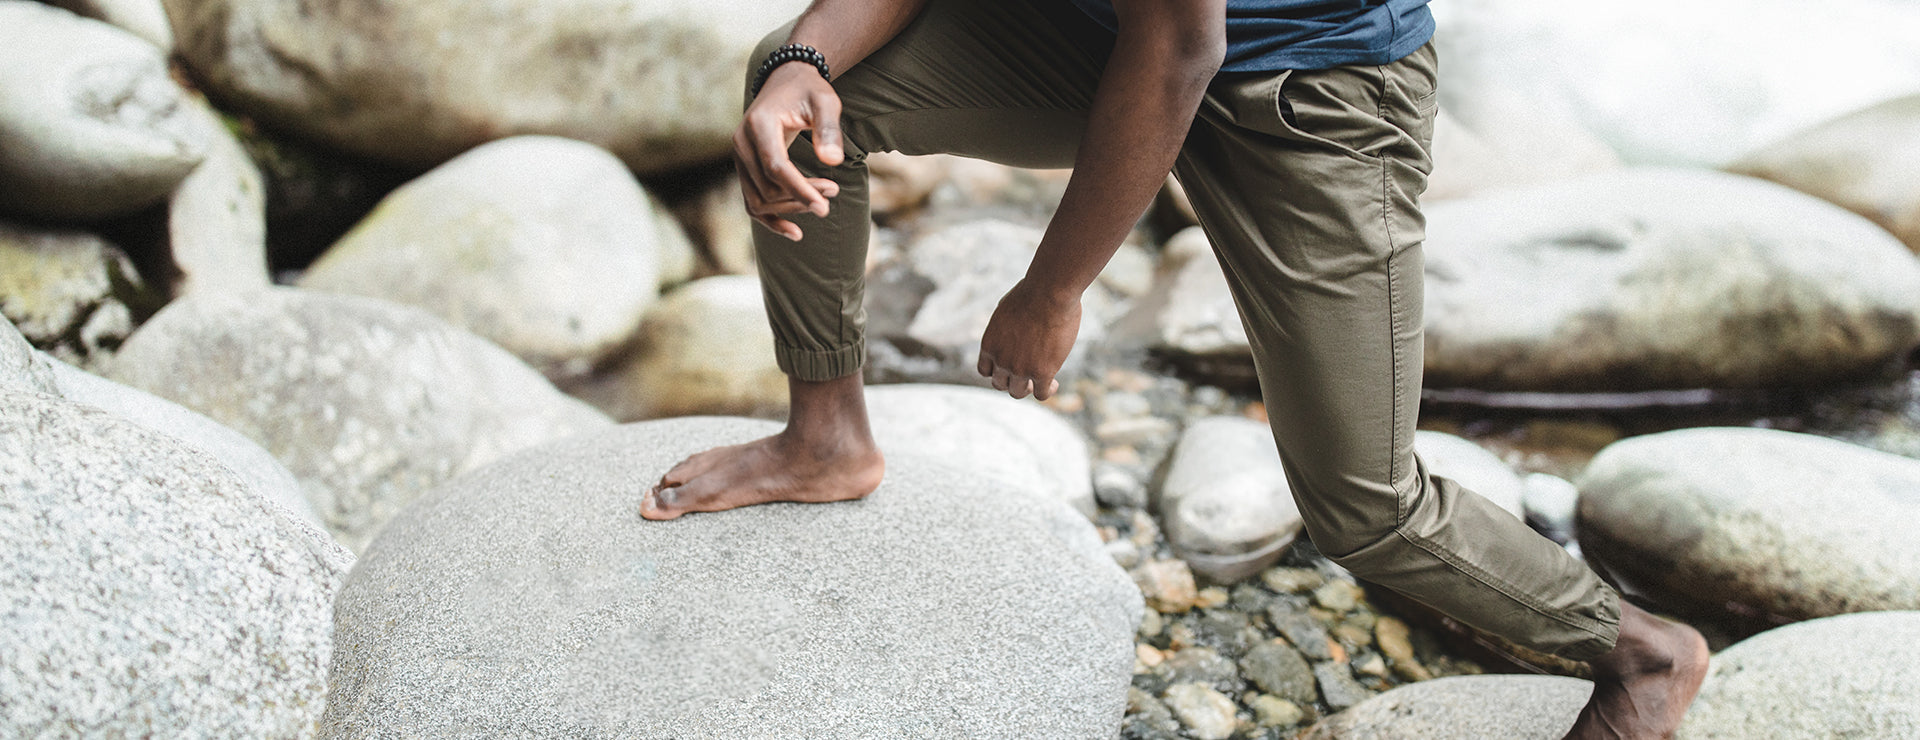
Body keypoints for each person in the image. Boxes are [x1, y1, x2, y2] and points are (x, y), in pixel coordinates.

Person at [641, 0, 1708, 736]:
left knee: (1367, 508)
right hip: (1107, 39)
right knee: (814, 82)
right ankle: (826, 435)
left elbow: (1182, 48)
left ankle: (1642, 650)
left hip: (1312, 97)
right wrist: (801, 68)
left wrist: (1052, 290)